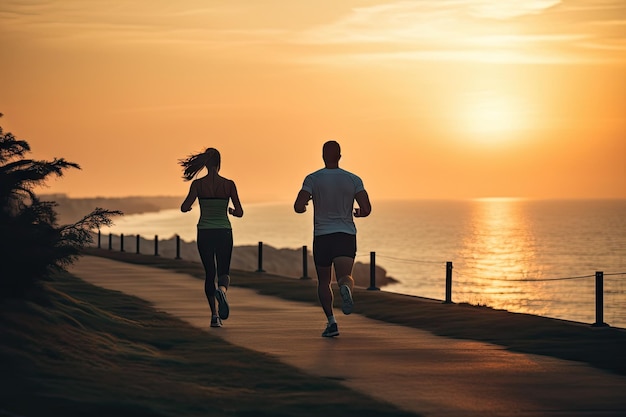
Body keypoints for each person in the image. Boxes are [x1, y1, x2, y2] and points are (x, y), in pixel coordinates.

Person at [294, 140, 371, 337]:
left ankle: (331, 322)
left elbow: (298, 205)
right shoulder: (353, 179)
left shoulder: (313, 179)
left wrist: (304, 206)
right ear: (340, 156)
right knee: (345, 276)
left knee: (324, 282)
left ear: (322, 156)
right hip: (345, 235)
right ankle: (345, 288)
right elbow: (366, 208)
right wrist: (359, 213)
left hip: (322, 236)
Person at [180, 148, 244, 328]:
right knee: (224, 272)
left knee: (210, 273)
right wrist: (230, 211)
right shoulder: (229, 184)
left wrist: (190, 208)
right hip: (224, 231)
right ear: (219, 163)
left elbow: (184, 207)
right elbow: (239, 212)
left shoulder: (198, 185)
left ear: (205, 163)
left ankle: (214, 316)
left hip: (205, 232)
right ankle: (222, 291)